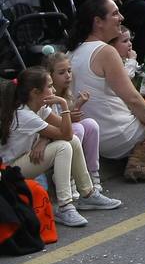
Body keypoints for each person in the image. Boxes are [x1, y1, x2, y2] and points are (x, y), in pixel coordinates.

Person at [67, 0, 145, 181]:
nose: (121, 17)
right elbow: (132, 98)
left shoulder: (72, 52)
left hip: (94, 136)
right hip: (117, 135)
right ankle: (139, 164)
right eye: (115, 13)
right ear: (98, 22)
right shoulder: (106, 51)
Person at [0, 67, 121, 227]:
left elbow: (67, 132)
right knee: (63, 147)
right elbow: (66, 134)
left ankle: (88, 195)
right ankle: (65, 207)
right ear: (35, 92)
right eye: (49, 86)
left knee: (73, 142)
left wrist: (43, 138)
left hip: (24, 161)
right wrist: (63, 104)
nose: (54, 89)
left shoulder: (39, 108)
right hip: (10, 171)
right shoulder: (24, 115)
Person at [43, 52, 120, 211]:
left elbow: (69, 120)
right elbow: (54, 124)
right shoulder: (48, 96)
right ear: (50, 75)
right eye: (61, 72)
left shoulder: (66, 91)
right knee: (77, 128)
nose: (67, 76)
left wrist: (77, 105)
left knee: (91, 124)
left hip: (63, 135)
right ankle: (68, 178)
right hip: (50, 138)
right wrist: (71, 115)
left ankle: (93, 176)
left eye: (69, 71)